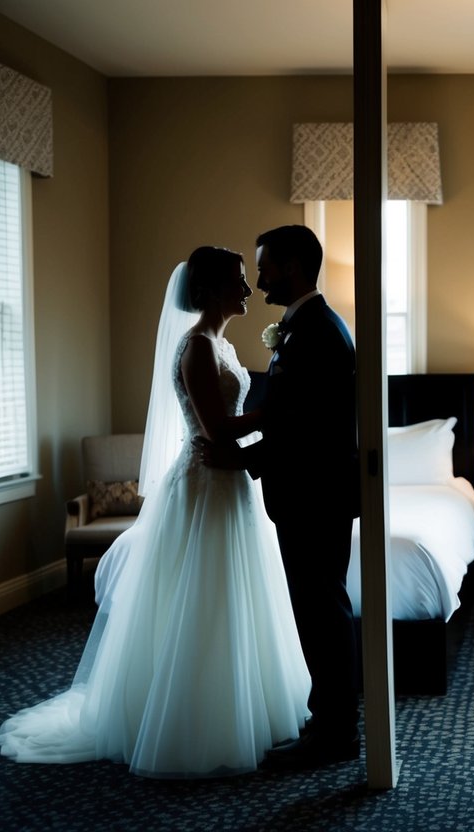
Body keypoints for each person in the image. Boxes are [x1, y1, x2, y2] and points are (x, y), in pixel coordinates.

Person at [0, 247, 310, 778]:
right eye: (237, 280)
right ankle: (190, 719)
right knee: (203, 595)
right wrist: (276, 413)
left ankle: (244, 704)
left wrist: (260, 422)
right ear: (209, 290)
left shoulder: (222, 344)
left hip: (231, 484)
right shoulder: (195, 349)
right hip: (205, 481)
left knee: (234, 595)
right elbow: (214, 429)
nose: (247, 289)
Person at [199, 224, 361, 768]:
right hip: (307, 496)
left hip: (315, 498)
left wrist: (244, 459)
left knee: (323, 611)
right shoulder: (302, 327)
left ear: (290, 267)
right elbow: (288, 416)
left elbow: (306, 427)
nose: (259, 277)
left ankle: (337, 732)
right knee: (316, 611)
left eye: (264, 266)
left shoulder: (319, 332)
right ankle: (329, 720)